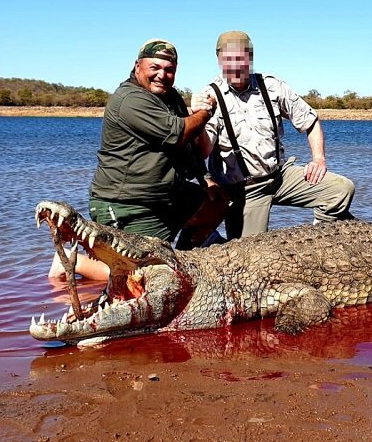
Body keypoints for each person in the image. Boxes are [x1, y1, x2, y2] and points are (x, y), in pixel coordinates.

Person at [48, 39, 227, 279]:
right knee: (143, 277)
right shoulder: (129, 99)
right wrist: (205, 113)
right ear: (137, 66)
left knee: (216, 202)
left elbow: (188, 148)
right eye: (155, 67)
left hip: (165, 196)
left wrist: (205, 179)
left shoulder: (170, 97)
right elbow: (179, 134)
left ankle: (181, 265)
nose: (162, 75)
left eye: (169, 69)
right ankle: (73, 263)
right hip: (128, 203)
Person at [195, 30, 354, 239]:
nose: (234, 66)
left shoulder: (271, 85)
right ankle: (211, 240)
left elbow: (311, 120)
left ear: (249, 58)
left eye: (240, 58)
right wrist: (200, 118)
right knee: (246, 259)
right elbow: (204, 151)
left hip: (280, 176)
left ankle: (319, 241)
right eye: (228, 59)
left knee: (341, 190)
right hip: (244, 190)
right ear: (219, 60)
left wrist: (318, 159)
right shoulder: (209, 96)